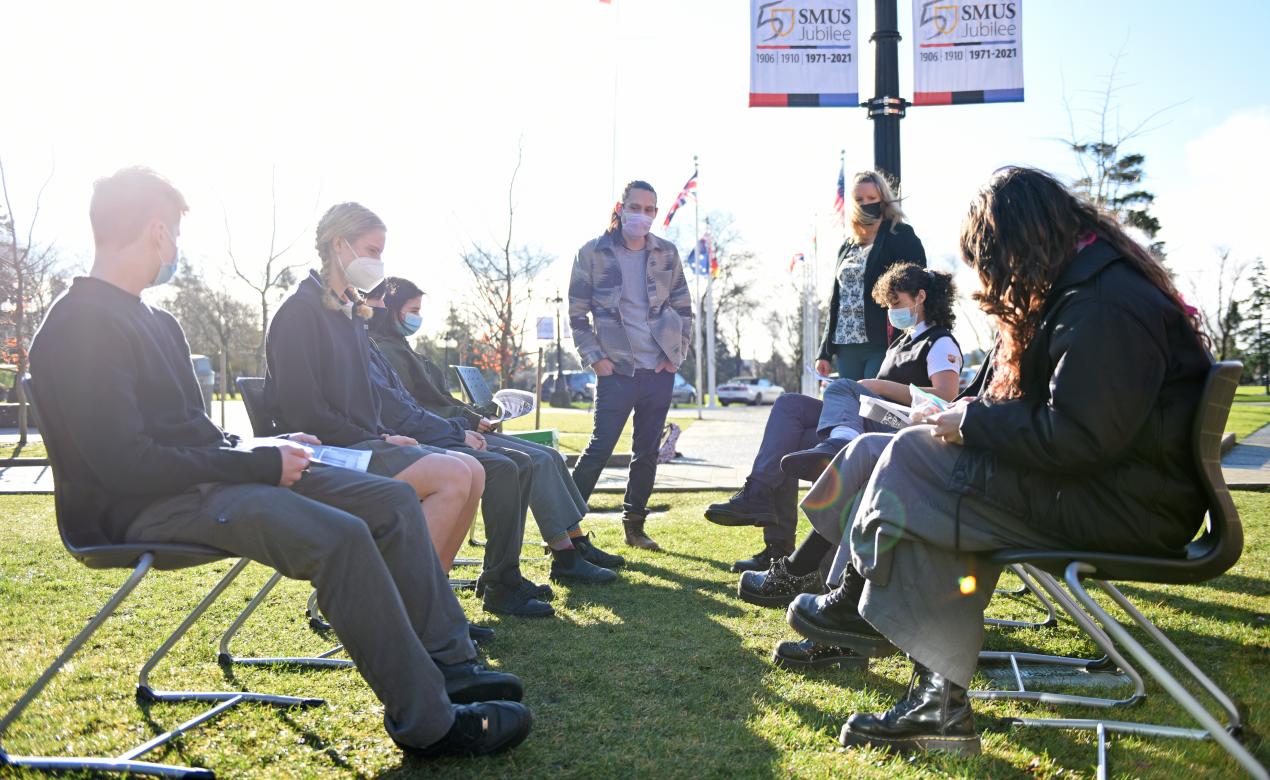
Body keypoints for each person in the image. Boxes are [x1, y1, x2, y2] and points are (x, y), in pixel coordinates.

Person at [28, 166, 531, 759]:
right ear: (157, 232)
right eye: (176, 237)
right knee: (341, 536)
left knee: (393, 500)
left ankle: (447, 663)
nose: (175, 252)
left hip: (206, 482)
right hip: (143, 508)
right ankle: (429, 722)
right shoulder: (80, 325)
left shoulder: (155, 319)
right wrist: (257, 466)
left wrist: (254, 448)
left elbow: (192, 433)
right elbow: (125, 464)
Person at [789, 167, 1212, 755]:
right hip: (1110, 490)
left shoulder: (1103, 304)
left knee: (915, 467)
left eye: (988, 263)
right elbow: (1066, 418)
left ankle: (885, 639)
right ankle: (885, 650)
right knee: (898, 455)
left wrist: (972, 422)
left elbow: (1082, 436)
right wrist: (966, 418)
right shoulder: (1083, 290)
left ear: (1018, 246)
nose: (989, 280)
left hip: (1128, 508)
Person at [264, 203, 550, 618]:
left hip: (360, 445)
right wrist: (376, 437)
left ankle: (429, 607)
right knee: (455, 473)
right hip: (321, 455)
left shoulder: (348, 316)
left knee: (471, 470)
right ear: (338, 245)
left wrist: (382, 434)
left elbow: (366, 402)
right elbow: (305, 413)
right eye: (371, 250)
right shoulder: (300, 313)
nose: (378, 262)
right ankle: (410, 615)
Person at [705, 265, 962, 585]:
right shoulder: (901, 344)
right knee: (788, 412)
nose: (892, 312)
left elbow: (946, 397)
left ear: (920, 297)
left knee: (841, 389)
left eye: (896, 303)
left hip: (902, 432)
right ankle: (770, 528)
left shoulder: (940, 343)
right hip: (874, 420)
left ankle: (838, 444)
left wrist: (879, 387)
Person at [367, 277, 625, 578]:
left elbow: (432, 400)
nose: (417, 317)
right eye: (412, 310)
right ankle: (563, 554)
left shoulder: (400, 346)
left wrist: (477, 413)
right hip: (440, 433)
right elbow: (413, 409)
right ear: (391, 309)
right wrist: (467, 421)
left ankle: (575, 541)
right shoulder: (386, 351)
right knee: (535, 460)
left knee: (547, 455)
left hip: (452, 426)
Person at [567, 180, 694, 551]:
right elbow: (576, 316)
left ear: (656, 213)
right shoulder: (592, 253)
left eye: (650, 209)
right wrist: (597, 359)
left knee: (647, 452)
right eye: (635, 207)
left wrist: (676, 357)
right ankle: (564, 528)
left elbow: (684, 308)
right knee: (599, 447)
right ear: (620, 208)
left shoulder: (666, 253)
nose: (642, 215)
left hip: (658, 370)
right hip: (616, 371)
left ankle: (635, 528)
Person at [817, 170, 927, 381]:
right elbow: (836, 300)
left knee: (873, 402)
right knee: (850, 406)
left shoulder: (901, 235)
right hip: (845, 345)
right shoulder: (847, 246)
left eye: (872, 198)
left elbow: (919, 283)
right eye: (859, 199)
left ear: (883, 200)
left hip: (882, 341)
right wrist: (824, 352)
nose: (865, 203)